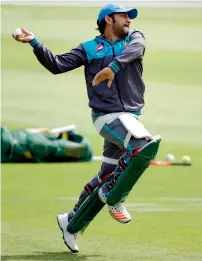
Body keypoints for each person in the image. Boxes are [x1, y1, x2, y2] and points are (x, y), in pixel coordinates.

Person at [12, 3, 160, 253]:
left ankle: (71, 221)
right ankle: (115, 197)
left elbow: (138, 47)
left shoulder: (134, 39)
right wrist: (35, 42)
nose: (129, 21)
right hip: (107, 118)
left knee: (108, 172)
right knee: (141, 146)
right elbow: (57, 65)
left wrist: (113, 67)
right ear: (108, 20)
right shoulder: (90, 48)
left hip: (129, 118)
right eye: (124, 16)